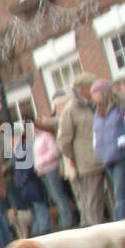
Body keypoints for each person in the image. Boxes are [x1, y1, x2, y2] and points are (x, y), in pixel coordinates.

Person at [58, 73, 109, 227]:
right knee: (94, 203)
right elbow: (64, 140)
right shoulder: (71, 109)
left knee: (114, 197)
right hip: (88, 163)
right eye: (91, 88)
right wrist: (75, 157)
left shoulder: (97, 103)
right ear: (83, 90)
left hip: (107, 156)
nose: (94, 90)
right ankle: (98, 235)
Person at [91, 79, 125, 221]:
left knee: (119, 193)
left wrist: (121, 143)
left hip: (121, 156)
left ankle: (118, 224)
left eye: (96, 93)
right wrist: (97, 150)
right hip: (106, 158)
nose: (94, 97)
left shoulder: (120, 108)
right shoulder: (97, 114)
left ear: (103, 93)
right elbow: (96, 135)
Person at [33, 95, 77, 229]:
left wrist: (42, 161)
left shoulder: (46, 136)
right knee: (54, 197)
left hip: (51, 168)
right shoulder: (37, 139)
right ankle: (64, 218)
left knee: (59, 195)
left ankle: (67, 219)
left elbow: (54, 151)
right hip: (43, 171)